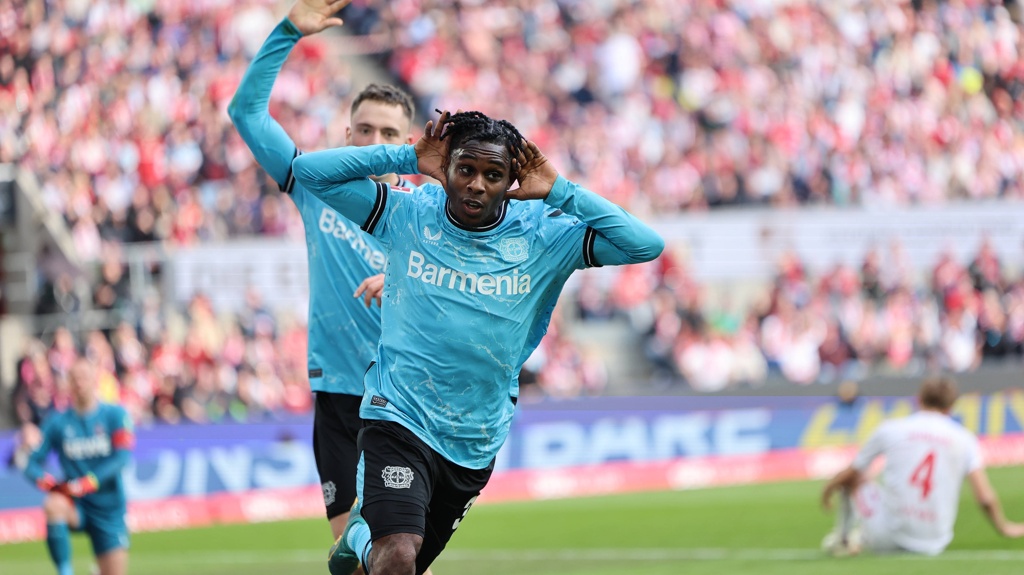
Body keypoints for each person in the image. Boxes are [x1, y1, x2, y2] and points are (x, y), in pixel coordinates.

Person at [292, 108, 665, 574]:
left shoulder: (543, 235)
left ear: (511, 181)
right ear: (447, 166)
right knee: (399, 556)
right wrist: (407, 157)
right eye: (465, 169)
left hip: (473, 439)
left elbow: (645, 244)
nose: (476, 184)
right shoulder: (409, 213)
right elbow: (308, 172)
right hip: (399, 415)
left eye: (493, 175)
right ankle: (371, 542)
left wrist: (559, 190)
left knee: (400, 565)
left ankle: (359, 539)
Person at [227, 0, 418, 549]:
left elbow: (464, 292)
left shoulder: (427, 214)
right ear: (347, 133)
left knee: (399, 553)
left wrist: (406, 282)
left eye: (389, 133)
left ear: (407, 145)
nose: (375, 142)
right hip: (336, 393)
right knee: (350, 553)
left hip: (403, 397)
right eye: (365, 129)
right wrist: (287, 31)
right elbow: (246, 114)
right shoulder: (316, 186)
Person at [821, 375, 1024, 556]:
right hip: (934, 543)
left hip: (888, 538)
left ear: (918, 399)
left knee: (857, 479)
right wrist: (1004, 527)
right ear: (951, 405)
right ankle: (861, 537)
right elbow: (985, 497)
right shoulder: (964, 439)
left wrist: (828, 489)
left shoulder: (891, 429)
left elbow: (851, 472)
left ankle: (843, 540)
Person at [22, 358, 135, 575]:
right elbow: (31, 462)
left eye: (83, 377)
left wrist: (89, 482)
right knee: (54, 504)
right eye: (74, 378)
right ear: (68, 384)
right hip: (76, 504)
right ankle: (65, 572)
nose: (79, 383)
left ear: (95, 380)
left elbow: (122, 459)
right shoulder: (57, 422)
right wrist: (48, 483)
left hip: (108, 507)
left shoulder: (116, 415)